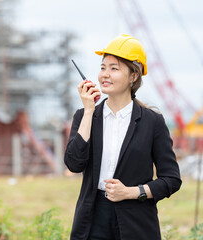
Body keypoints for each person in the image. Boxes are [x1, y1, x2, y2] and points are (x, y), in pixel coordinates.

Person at [64, 34, 181, 240]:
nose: (104, 75)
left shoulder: (152, 122)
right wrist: (89, 111)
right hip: (92, 220)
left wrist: (132, 192)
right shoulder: (85, 116)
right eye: (103, 67)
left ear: (133, 76)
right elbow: (74, 164)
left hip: (136, 222)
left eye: (114, 68)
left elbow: (171, 179)